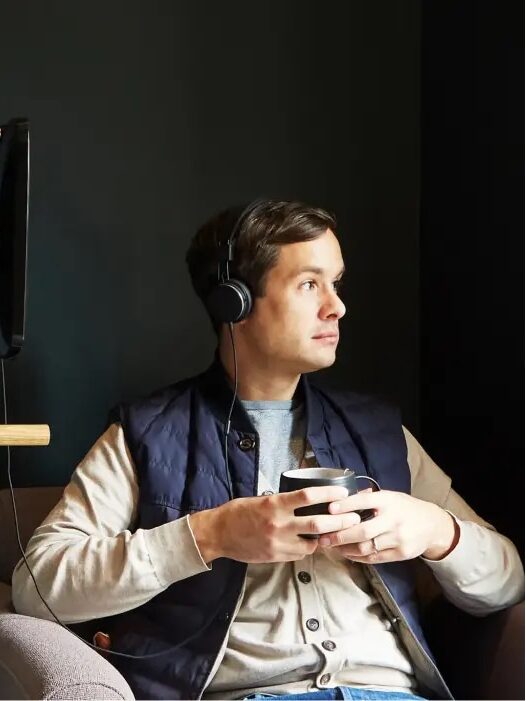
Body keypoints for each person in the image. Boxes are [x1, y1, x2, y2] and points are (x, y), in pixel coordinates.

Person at [12, 199, 524, 701]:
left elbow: (507, 581)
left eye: (336, 283)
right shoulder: (145, 434)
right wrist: (210, 535)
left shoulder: (381, 431)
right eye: (309, 284)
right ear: (233, 301)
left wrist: (435, 531)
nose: (337, 306)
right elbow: (38, 586)